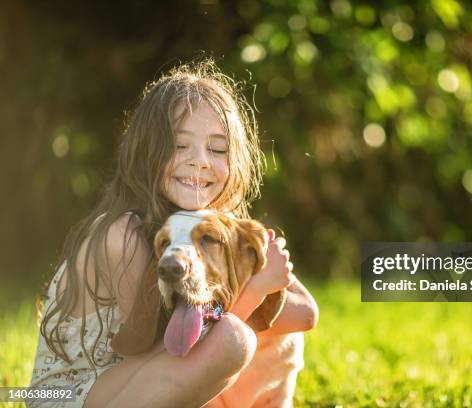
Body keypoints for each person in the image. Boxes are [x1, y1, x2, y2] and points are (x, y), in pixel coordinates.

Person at [29, 59, 319, 407]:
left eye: (217, 149)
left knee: (230, 336)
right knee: (231, 340)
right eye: (180, 145)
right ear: (145, 151)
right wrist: (255, 288)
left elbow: (305, 312)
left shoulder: (215, 227)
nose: (199, 161)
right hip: (72, 396)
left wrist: (260, 275)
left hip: (137, 386)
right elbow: (172, 348)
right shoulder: (124, 234)